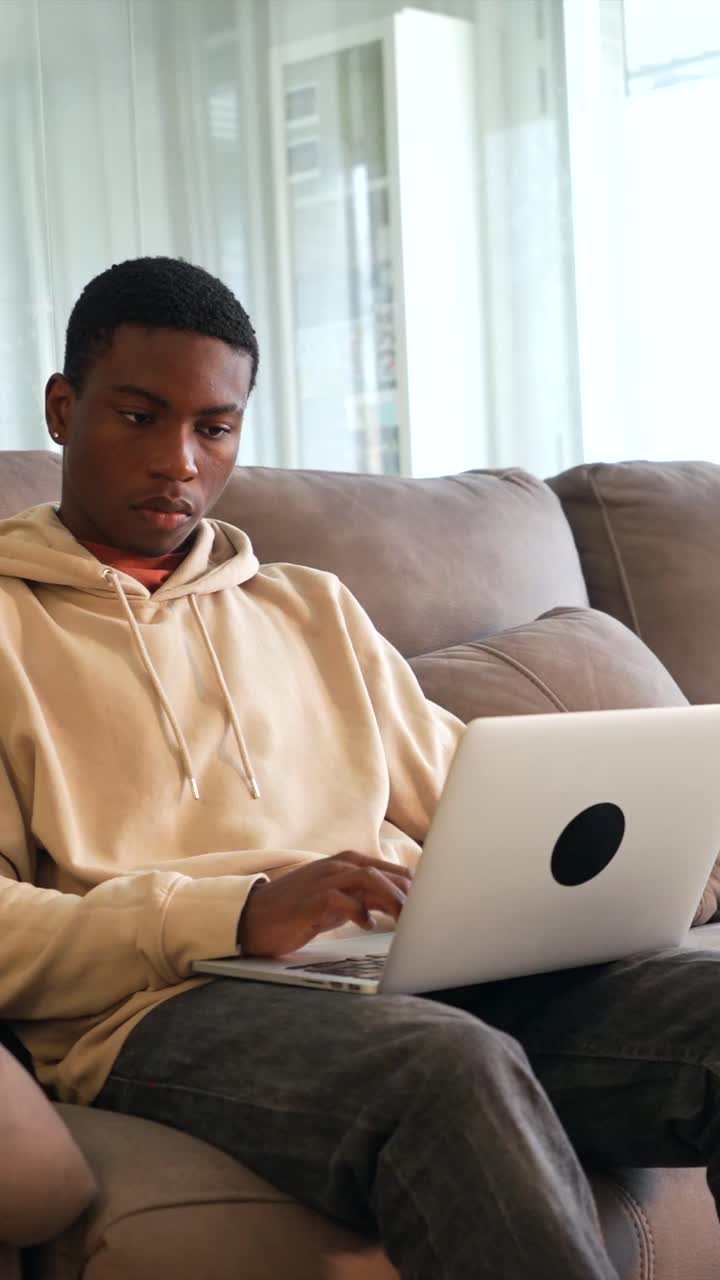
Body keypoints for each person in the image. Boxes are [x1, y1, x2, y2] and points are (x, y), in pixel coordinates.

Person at [0, 255, 718, 1280]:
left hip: (403, 970)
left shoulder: (309, 608)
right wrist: (238, 911)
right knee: (446, 1068)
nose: (179, 461)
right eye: (139, 415)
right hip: (163, 1008)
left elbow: (482, 798)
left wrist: (672, 860)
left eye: (215, 426)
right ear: (63, 410)